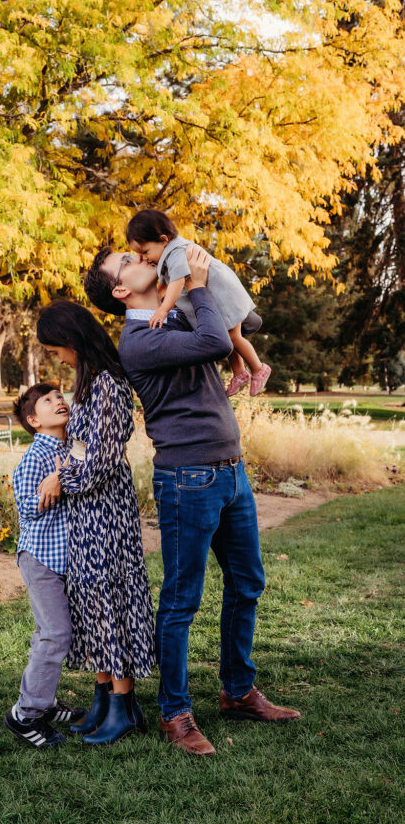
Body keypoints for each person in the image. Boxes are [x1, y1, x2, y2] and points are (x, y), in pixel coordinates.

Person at [84, 246, 300, 757]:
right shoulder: (138, 341)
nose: (144, 257)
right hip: (188, 478)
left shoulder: (173, 314)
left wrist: (205, 292)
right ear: (121, 289)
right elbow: (208, 341)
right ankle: (175, 714)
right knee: (182, 600)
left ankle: (237, 691)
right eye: (130, 259)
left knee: (248, 583)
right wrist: (200, 284)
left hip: (231, 470)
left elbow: (223, 334)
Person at [36, 301, 156, 746]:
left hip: (105, 509)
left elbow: (99, 462)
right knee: (91, 601)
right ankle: (105, 696)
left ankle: (123, 705)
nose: (58, 358)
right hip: (87, 512)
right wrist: (65, 468)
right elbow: (81, 449)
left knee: (109, 598)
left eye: (57, 348)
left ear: (73, 340)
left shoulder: (108, 384)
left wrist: (60, 477)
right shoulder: (87, 384)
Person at [4, 383, 85, 750]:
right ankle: (26, 714)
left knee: (45, 634)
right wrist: (55, 483)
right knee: (56, 635)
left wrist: (67, 472)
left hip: (62, 560)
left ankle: (46, 701)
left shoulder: (72, 446)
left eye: (59, 396)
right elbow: (26, 507)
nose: (59, 401)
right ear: (35, 421)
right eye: (48, 401)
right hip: (40, 559)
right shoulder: (37, 457)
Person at [127, 208, 271, 396]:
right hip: (216, 296)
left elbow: (178, 280)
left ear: (163, 240)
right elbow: (166, 284)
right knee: (227, 338)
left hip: (223, 296)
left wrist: (163, 309)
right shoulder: (167, 255)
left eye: (145, 251)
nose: (144, 258)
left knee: (234, 337)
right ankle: (239, 373)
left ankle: (259, 368)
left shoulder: (176, 251)